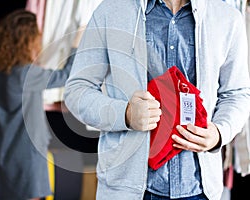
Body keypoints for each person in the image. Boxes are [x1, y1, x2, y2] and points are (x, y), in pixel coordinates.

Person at [64, 0, 250, 199]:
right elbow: (77, 90)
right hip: (128, 191)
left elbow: (237, 93)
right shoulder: (111, 11)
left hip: (199, 189)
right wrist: (124, 113)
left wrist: (220, 132)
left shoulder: (227, 17)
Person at [0, 9, 75, 200]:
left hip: (9, 152)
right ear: (27, 40)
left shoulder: (5, 71)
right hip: (28, 154)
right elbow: (67, 75)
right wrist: (75, 46)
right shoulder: (26, 75)